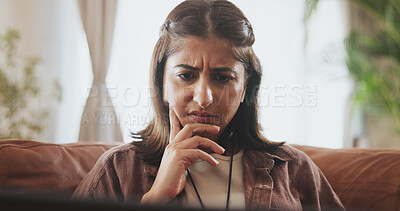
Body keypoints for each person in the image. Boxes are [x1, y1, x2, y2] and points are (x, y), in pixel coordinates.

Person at [73, 0, 345, 210]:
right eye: (186, 76)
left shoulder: (293, 169)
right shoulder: (117, 170)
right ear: (162, 84)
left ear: (246, 87)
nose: (204, 98)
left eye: (222, 77)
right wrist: (156, 197)